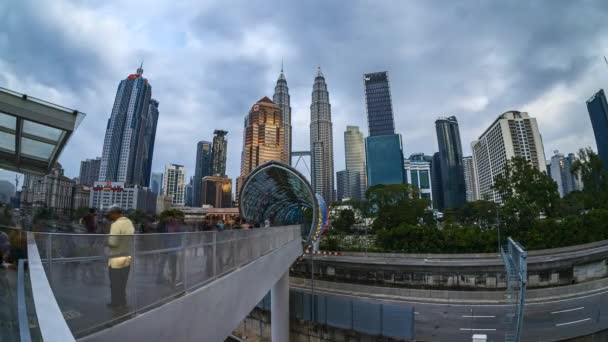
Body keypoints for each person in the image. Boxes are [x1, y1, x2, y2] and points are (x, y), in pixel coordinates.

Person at [106, 205, 135, 309]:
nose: (108, 216)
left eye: (109, 214)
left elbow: (113, 243)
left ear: (115, 213)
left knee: (115, 283)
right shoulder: (129, 222)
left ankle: (116, 303)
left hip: (115, 258)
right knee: (123, 282)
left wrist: (106, 242)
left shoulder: (116, 225)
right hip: (127, 257)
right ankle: (123, 302)